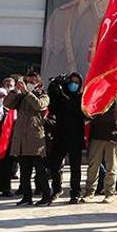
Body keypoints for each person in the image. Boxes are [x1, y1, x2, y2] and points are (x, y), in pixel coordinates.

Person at [4, 72, 53, 206]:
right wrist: (15, 91)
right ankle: (27, 196)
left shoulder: (43, 95)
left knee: (40, 171)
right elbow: (7, 103)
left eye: (32, 81)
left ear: (38, 83)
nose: (29, 84)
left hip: (36, 138)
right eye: (28, 81)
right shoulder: (21, 96)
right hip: (21, 139)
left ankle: (46, 196)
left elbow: (39, 105)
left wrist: (27, 93)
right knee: (24, 171)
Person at [47, 72, 86, 203]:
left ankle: (75, 193)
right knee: (54, 164)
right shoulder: (61, 96)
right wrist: (53, 91)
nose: (73, 85)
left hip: (75, 136)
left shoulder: (81, 97)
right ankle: (57, 188)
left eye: (76, 82)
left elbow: (75, 109)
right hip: (60, 134)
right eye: (71, 82)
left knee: (75, 167)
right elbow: (52, 109)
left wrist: (62, 95)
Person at [83, 91, 117, 203]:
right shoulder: (97, 95)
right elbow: (88, 114)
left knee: (111, 167)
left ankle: (110, 193)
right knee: (93, 166)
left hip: (114, 137)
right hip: (97, 134)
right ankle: (89, 191)